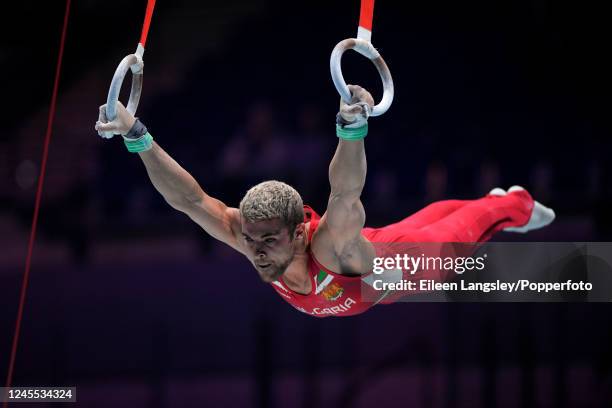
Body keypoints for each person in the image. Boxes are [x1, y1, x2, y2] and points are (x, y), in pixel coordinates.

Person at [95, 85, 555, 317]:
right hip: (374, 247)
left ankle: (514, 201)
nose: (254, 251)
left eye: (268, 241)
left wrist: (352, 128)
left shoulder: (329, 244)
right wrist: (138, 138)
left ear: (299, 234)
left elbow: (346, 192)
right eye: (252, 239)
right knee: (427, 218)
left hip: (407, 269)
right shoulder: (253, 240)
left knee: (472, 224)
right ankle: (493, 200)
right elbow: (191, 200)